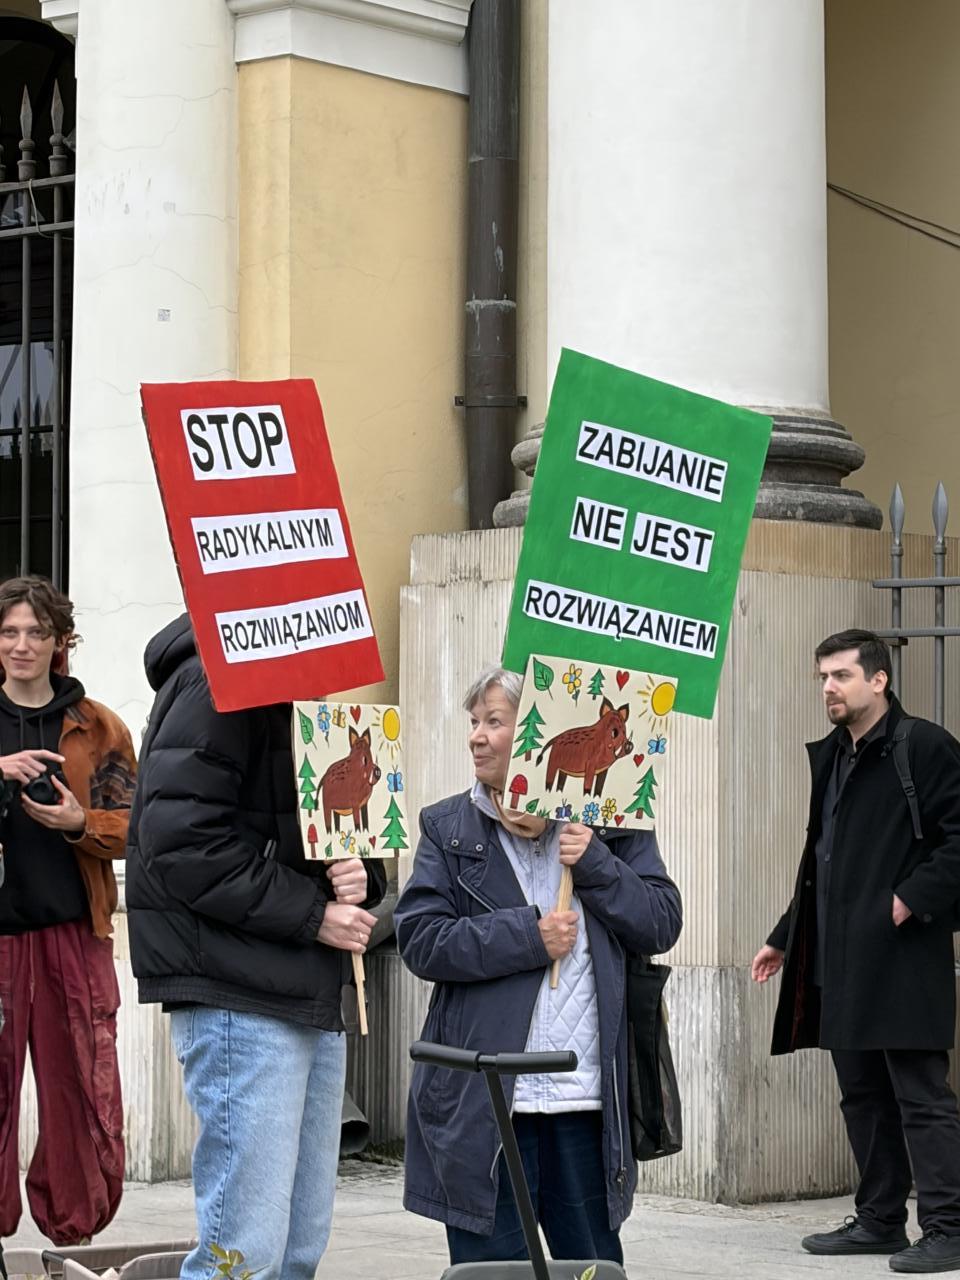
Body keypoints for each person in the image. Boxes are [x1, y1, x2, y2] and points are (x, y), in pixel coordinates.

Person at [125, 613, 386, 1280]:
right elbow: (182, 842)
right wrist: (314, 915)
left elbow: (337, 830)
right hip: (239, 990)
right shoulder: (212, 678)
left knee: (295, 1248)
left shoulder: (301, 685)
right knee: (244, 1255)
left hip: (304, 986)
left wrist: (364, 872)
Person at [395, 665, 682, 1267]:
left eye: (494, 722)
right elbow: (420, 940)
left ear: (534, 726)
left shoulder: (611, 822)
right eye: (474, 722)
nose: (476, 736)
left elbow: (660, 922)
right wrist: (528, 936)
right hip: (487, 1107)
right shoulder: (447, 828)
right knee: (492, 1274)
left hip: (584, 1107)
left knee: (590, 1270)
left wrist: (597, 863)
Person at [752, 628, 960, 1274]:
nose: (828, 688)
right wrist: (786, 934)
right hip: (840, 959)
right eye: (822, 677)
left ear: (879, 679)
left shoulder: (922, 746)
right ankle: (879, 1220)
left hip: (903, 954)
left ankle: (950, 1227)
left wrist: (909, 898)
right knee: (862, 1094)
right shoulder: (834, 756)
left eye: (840, 675)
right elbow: (822, 860)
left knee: (920, 1096)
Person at [0, 575, 136, 1245]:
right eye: (9, 632)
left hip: (73, 933)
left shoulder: (99, 726)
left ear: (60, 642)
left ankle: (73, 1234)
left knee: (82, 1089)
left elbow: (136, 823)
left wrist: (81, 822)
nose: (21, 645)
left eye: (36, 632)